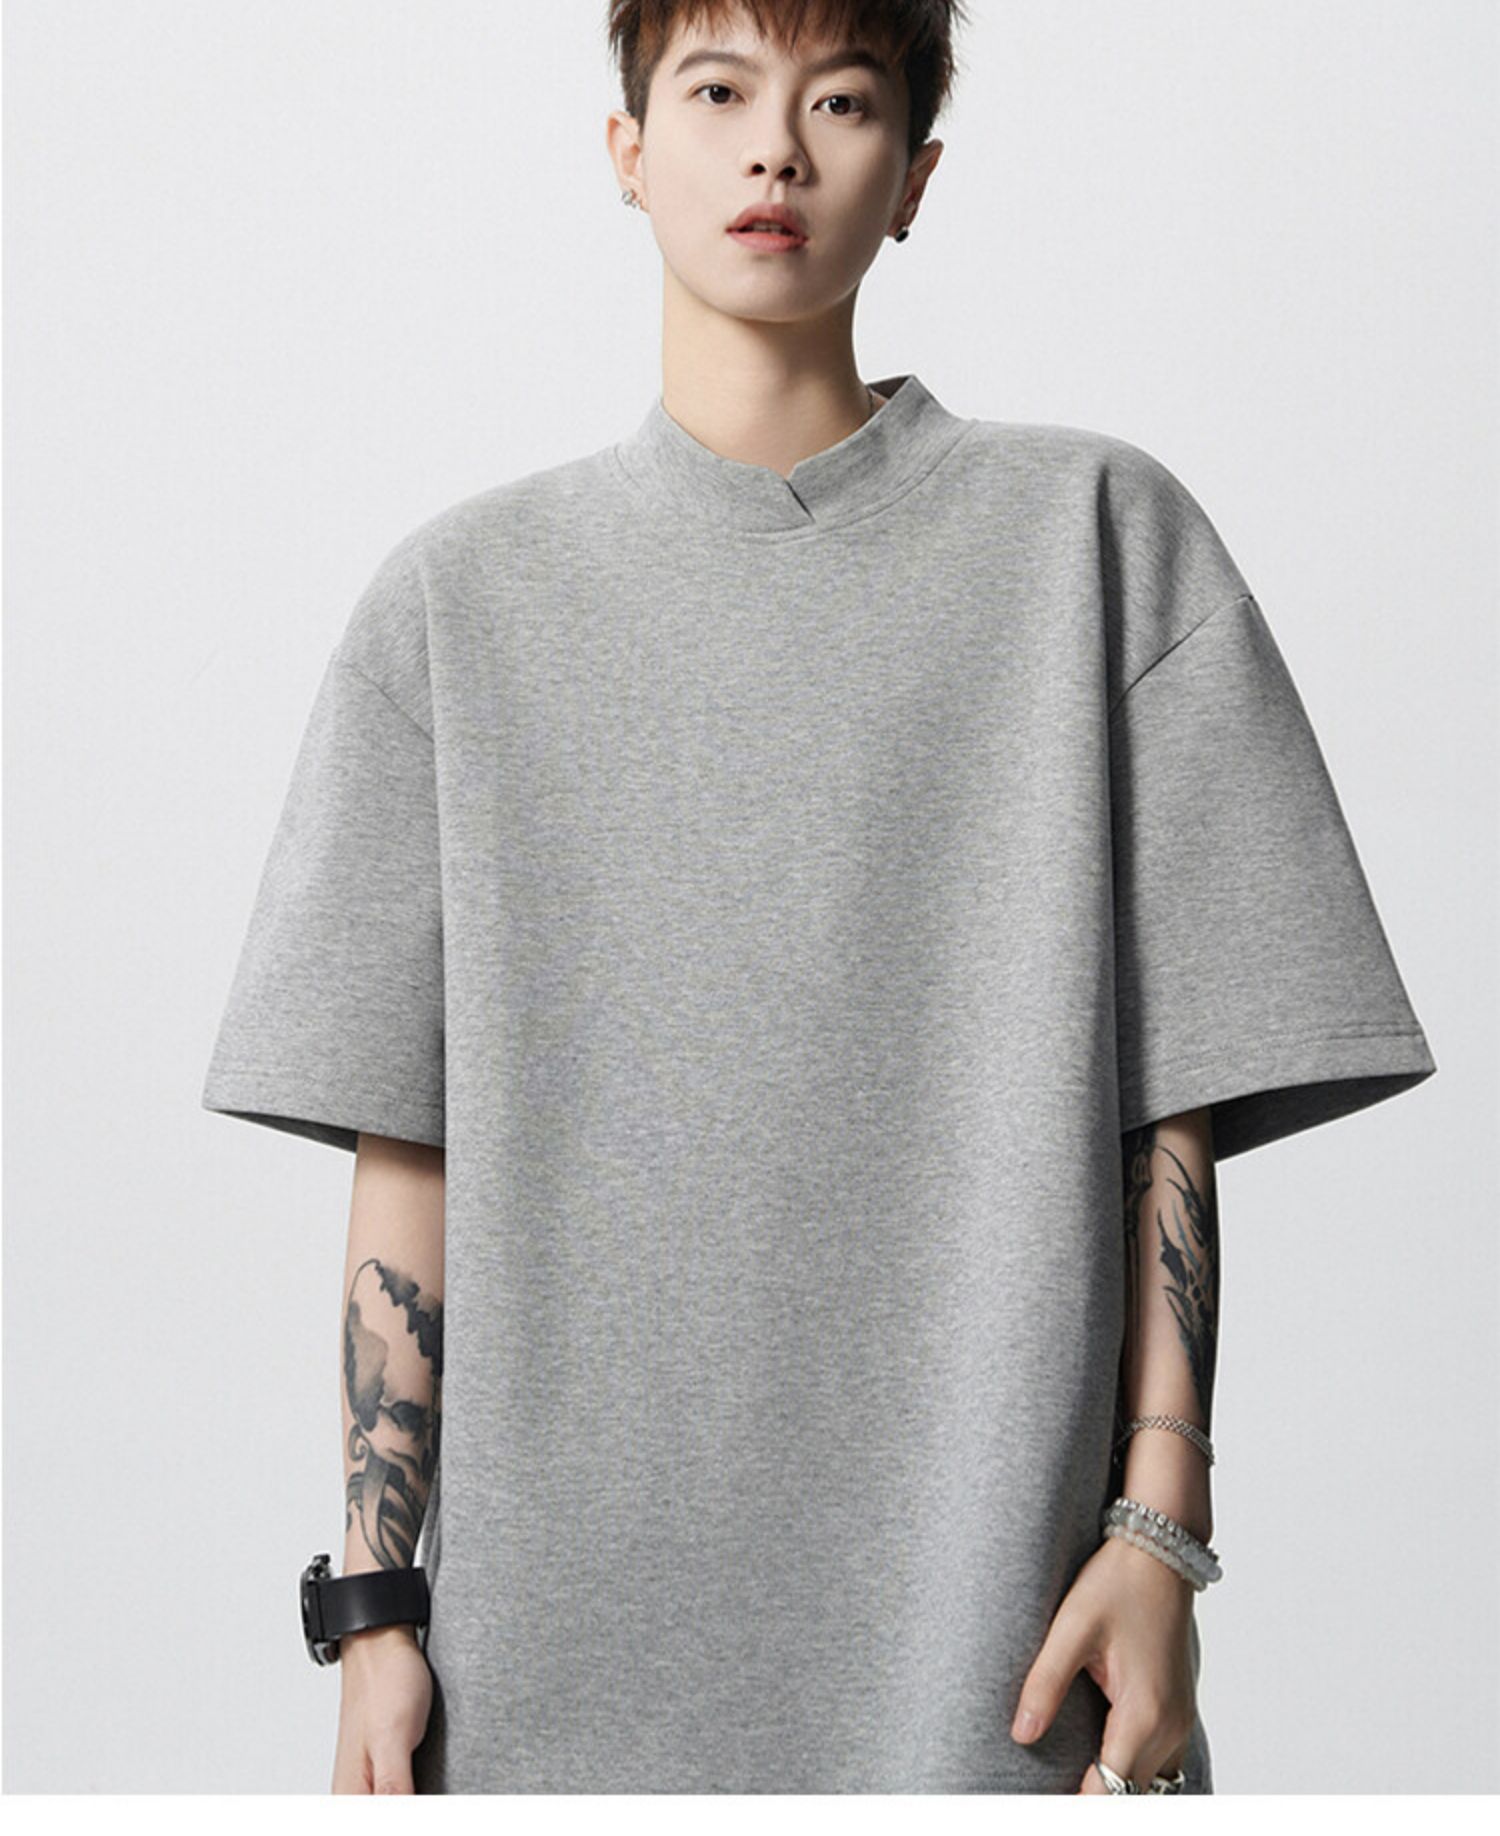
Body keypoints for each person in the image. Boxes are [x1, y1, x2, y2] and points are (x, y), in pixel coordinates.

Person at [201, 0, 1438, 1796]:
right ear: (628, 153)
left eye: (841, 100)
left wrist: (1160, 1535)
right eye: (719, 89)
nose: (777, 146)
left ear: (915, 178)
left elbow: (1166, 1104)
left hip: (1001, 1646)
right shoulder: (455, 610)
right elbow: (413, 1149)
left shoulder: (1097, 540)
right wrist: (379, 1611)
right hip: (552, 1658)